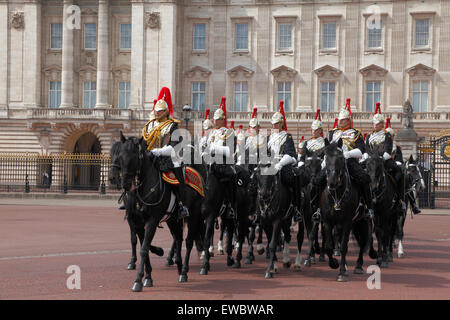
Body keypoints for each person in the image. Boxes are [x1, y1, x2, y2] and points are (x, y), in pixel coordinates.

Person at [141, 87, 189, 219]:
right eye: (156, 111)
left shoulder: (172, 125)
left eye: (160, 111)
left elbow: (174, 147)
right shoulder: (149, 126)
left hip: (168, 158)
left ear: (165, 111)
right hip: (150, 157)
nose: (157, 113)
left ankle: (182, 205)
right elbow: (144, 142)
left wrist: (157, 152)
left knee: (178, 177)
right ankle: (132, 201)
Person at [323, 98, 374, 219]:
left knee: (364, 179)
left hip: (349, 162)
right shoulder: (332, 133)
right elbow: (327, 149)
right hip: (333, 163)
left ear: (348, 120)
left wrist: (348, 154)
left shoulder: (355, 133)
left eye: (343, 120)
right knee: (317, 180)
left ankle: (368, 207)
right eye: (339, 120)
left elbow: (361, 150)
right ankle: (318, 209)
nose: (340, 122)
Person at [363, 103, 406, 212]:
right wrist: (368, 158)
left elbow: (387, 150)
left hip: (384, 161)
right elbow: (366, 149)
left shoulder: (386, 136)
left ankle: (400, 200)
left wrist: (380, 159)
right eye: (374, 123)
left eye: (377, 124)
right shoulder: (369, 136)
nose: (375, 125)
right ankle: (362, 201)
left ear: (382, 124)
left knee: (399, 172)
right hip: (371, 162)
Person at [267, 101, 302, 222]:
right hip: (271, 165)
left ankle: (296, 207)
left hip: (283, 165)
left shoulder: (287, 136)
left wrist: (280, 164)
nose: (274, 126)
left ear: (281, 124)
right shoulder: (269, 138)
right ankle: (256, 210)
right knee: (256, 181)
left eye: (277, 124)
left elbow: (290, 153)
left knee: (292, 179)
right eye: (273, 124)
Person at [205, 97, 237, 218]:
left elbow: (230, 151)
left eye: (218, 119)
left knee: (232, 177)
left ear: (223, 120)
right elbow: (206, 147)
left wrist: (215, 149)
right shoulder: (212, 133)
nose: (215, 121)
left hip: (223, 163)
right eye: (215, 119)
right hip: (210, 163)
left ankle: (231, 205)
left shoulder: (228, 132)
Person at [385, 118, 421, 214]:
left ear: (393, 136)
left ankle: (410, 204)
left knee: (406, 182)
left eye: (390, 136)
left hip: (393, 169)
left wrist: (396, 163)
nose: (389, 137)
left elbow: (400, 160)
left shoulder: (396, 147)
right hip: (383, 168)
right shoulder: (381, 146)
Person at [299, 109, 328, 221]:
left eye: (316, 130)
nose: (314, 132)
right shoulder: (307, 142)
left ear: (320, 130)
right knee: (298, 182)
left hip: (320, 168)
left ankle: (319, 209)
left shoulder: (325, 141)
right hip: (308, 168)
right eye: (312, 129)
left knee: (322, 183)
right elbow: (302, 157)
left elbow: (326, 156)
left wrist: (324, 167)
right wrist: (301, 167)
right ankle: (297, 207)